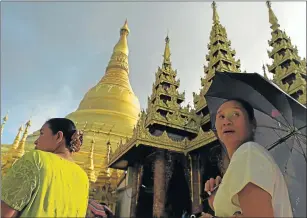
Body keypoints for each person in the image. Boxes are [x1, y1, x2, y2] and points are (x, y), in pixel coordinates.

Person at [201, 99, 293, 218]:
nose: (226, 122)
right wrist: (216, 198)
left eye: (235, 114)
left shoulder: (249, 152)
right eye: (221, 116)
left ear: (252, 124)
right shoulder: (244, 158)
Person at [1, 118, 89, 217]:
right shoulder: (83, 177)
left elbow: (5, 213)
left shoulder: (36, 158)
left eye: (41, 134)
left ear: (58, 136)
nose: (36, 141)